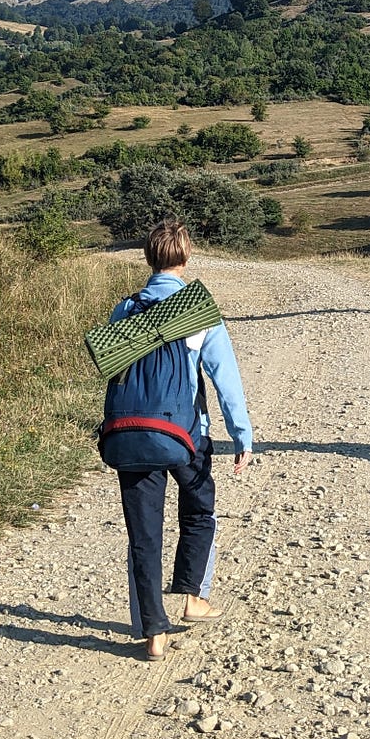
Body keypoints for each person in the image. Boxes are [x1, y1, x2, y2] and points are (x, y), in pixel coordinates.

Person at [102, 219, 253, 659]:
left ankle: (153, 632)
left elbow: (115, 372)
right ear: (186, 258)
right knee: (200, 512)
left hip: (132, 433)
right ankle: (193, 598)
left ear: (148, 257)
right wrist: (241, 435)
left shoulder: (125, 309)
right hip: (187, 435)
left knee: (143, 533)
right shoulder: (198, 310)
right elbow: (225, 379)